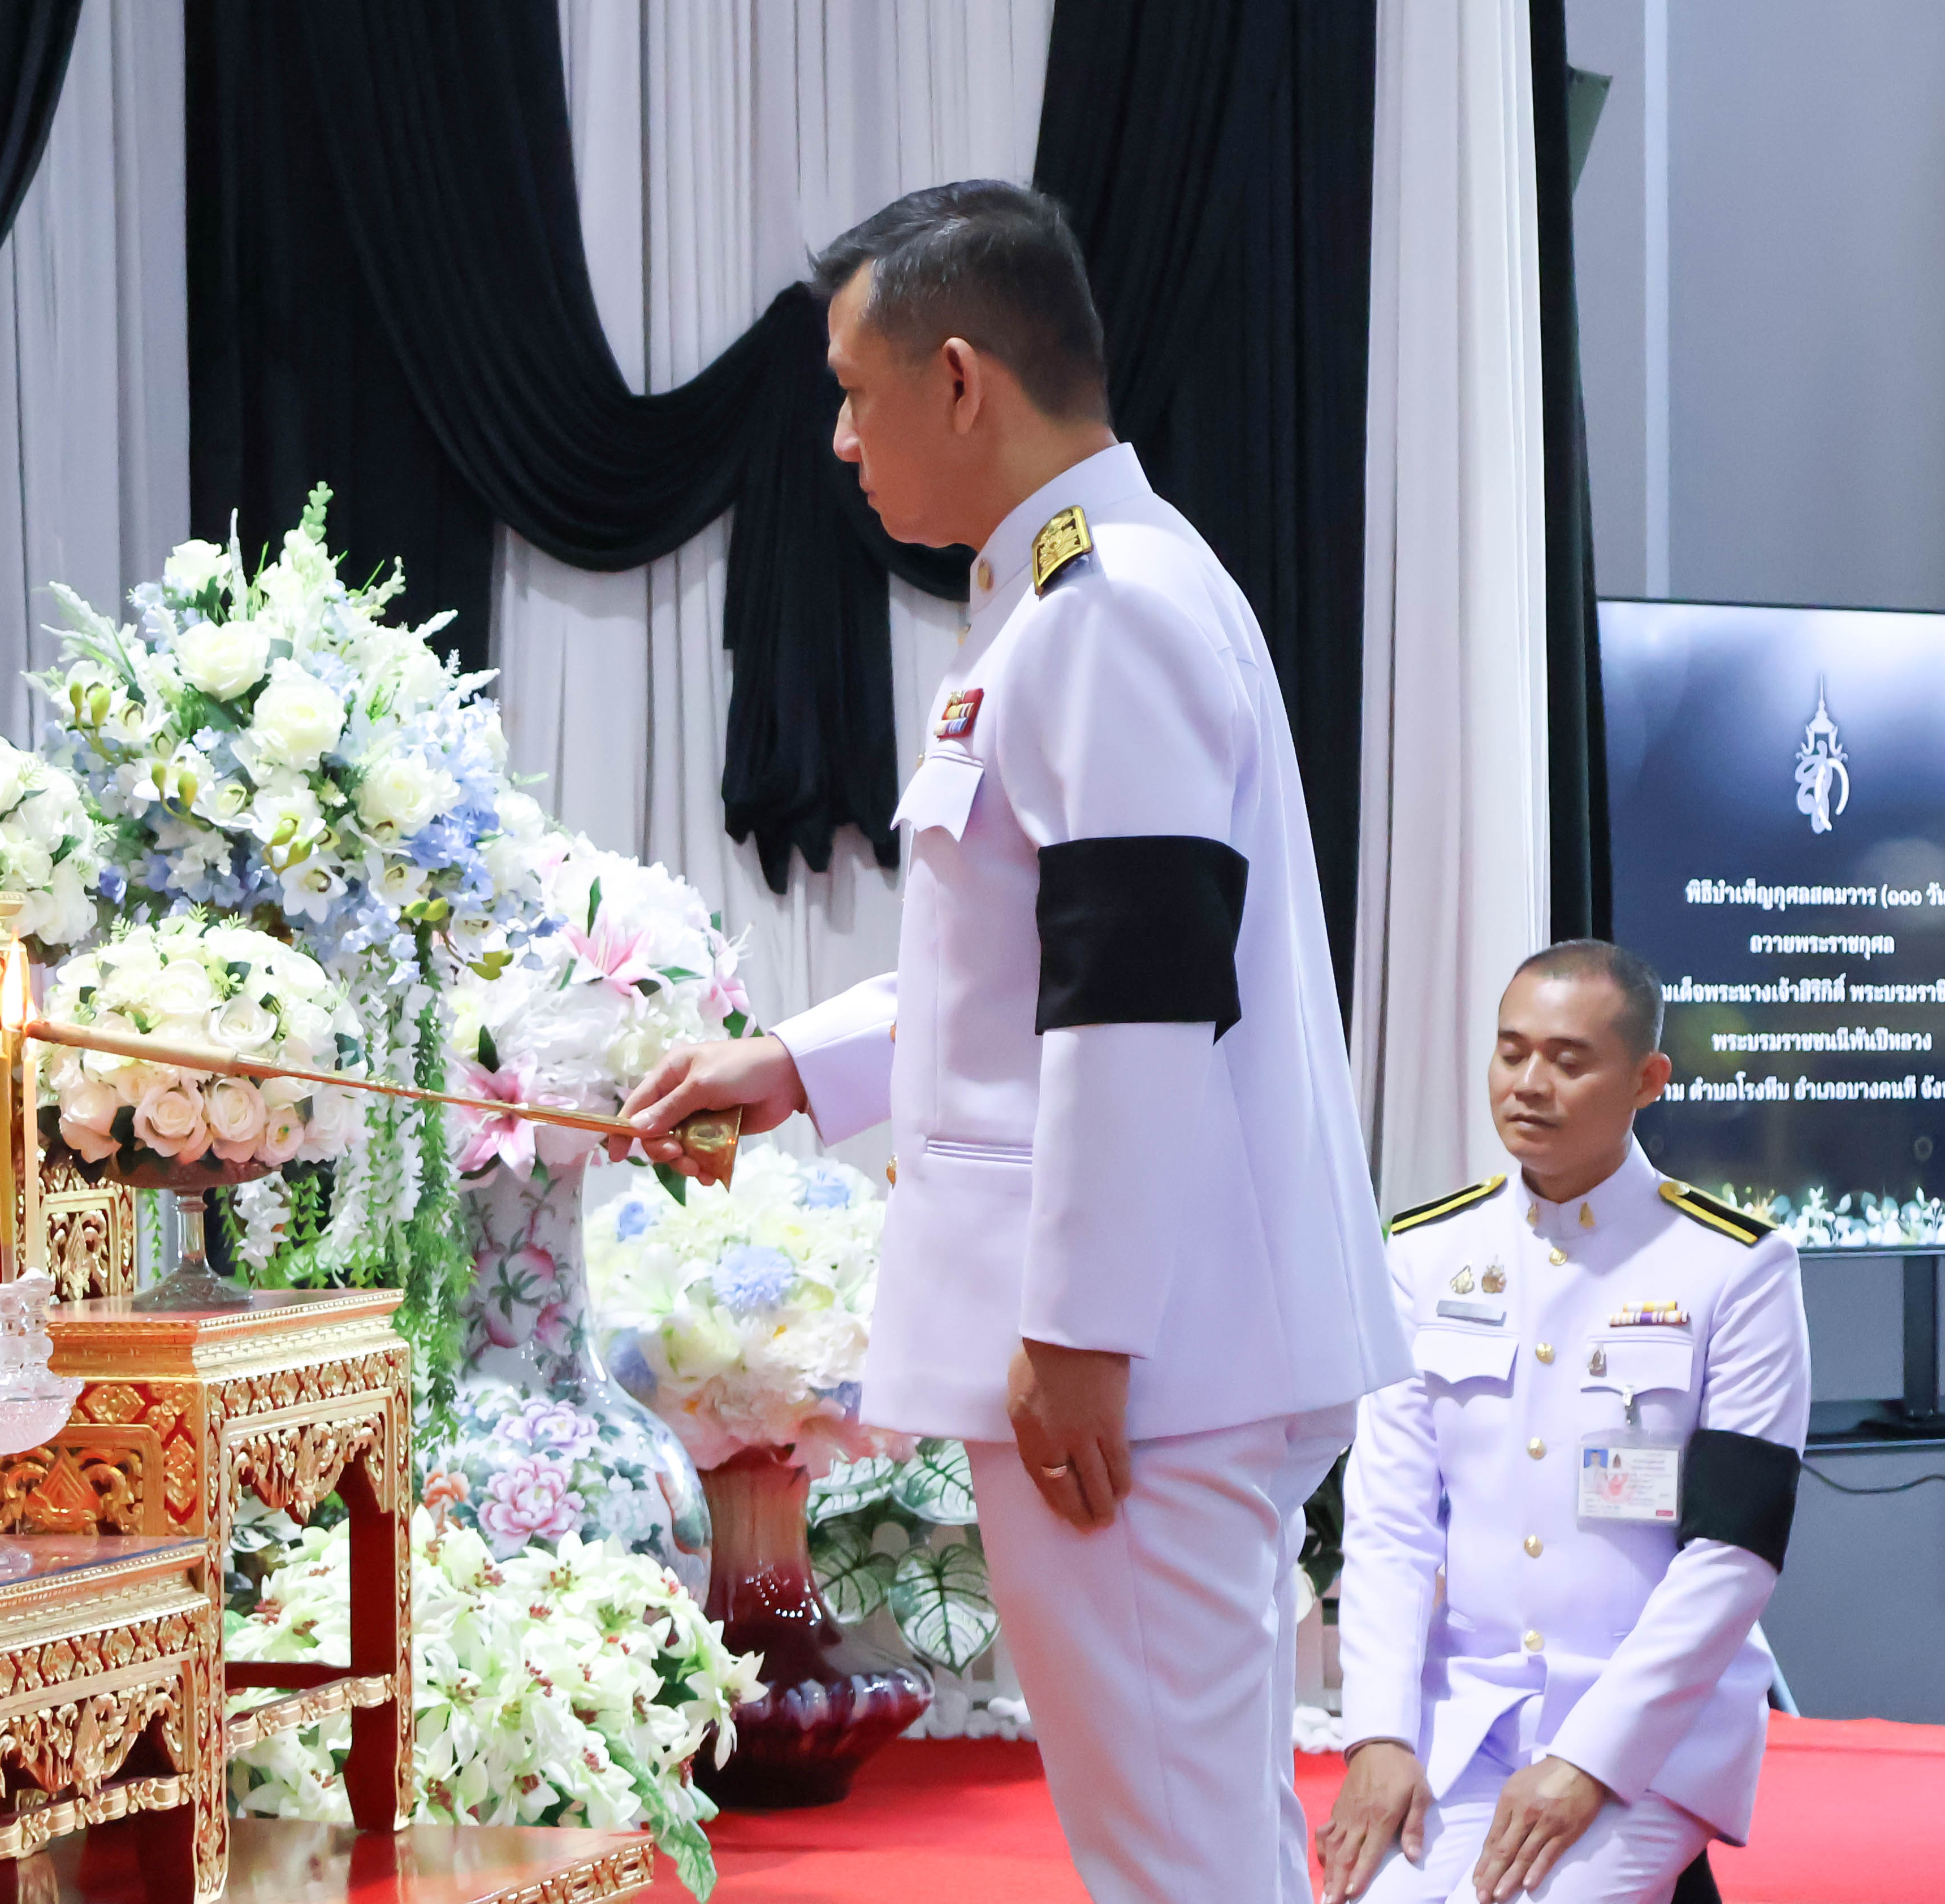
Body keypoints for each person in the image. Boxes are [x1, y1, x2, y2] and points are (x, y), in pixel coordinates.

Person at [621, 180, 1410, 1903]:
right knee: (1199, 1846)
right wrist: (797, 1068)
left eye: (855, 393)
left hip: (1144, 1364)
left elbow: (1137, 994)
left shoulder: (1103, 606)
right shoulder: (1065, 598)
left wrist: (1080, 1326)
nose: (840, 442)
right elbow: (1045, 969)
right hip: (1165, 1350)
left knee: (1175, 1864)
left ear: (962, 379)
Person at [1318, 941, 1810, 1903]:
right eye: (1511, 1053)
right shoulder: (1426, 1254)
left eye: (1569, 1061)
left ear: (1648, 1080)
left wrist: (1592, 1760)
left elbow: (1733, 1555)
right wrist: (1378, 1736)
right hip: (1467, 1724)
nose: (1529, 1085)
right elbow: (1390, 1526)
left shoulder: (1734, 1268)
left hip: (1649, 1740)